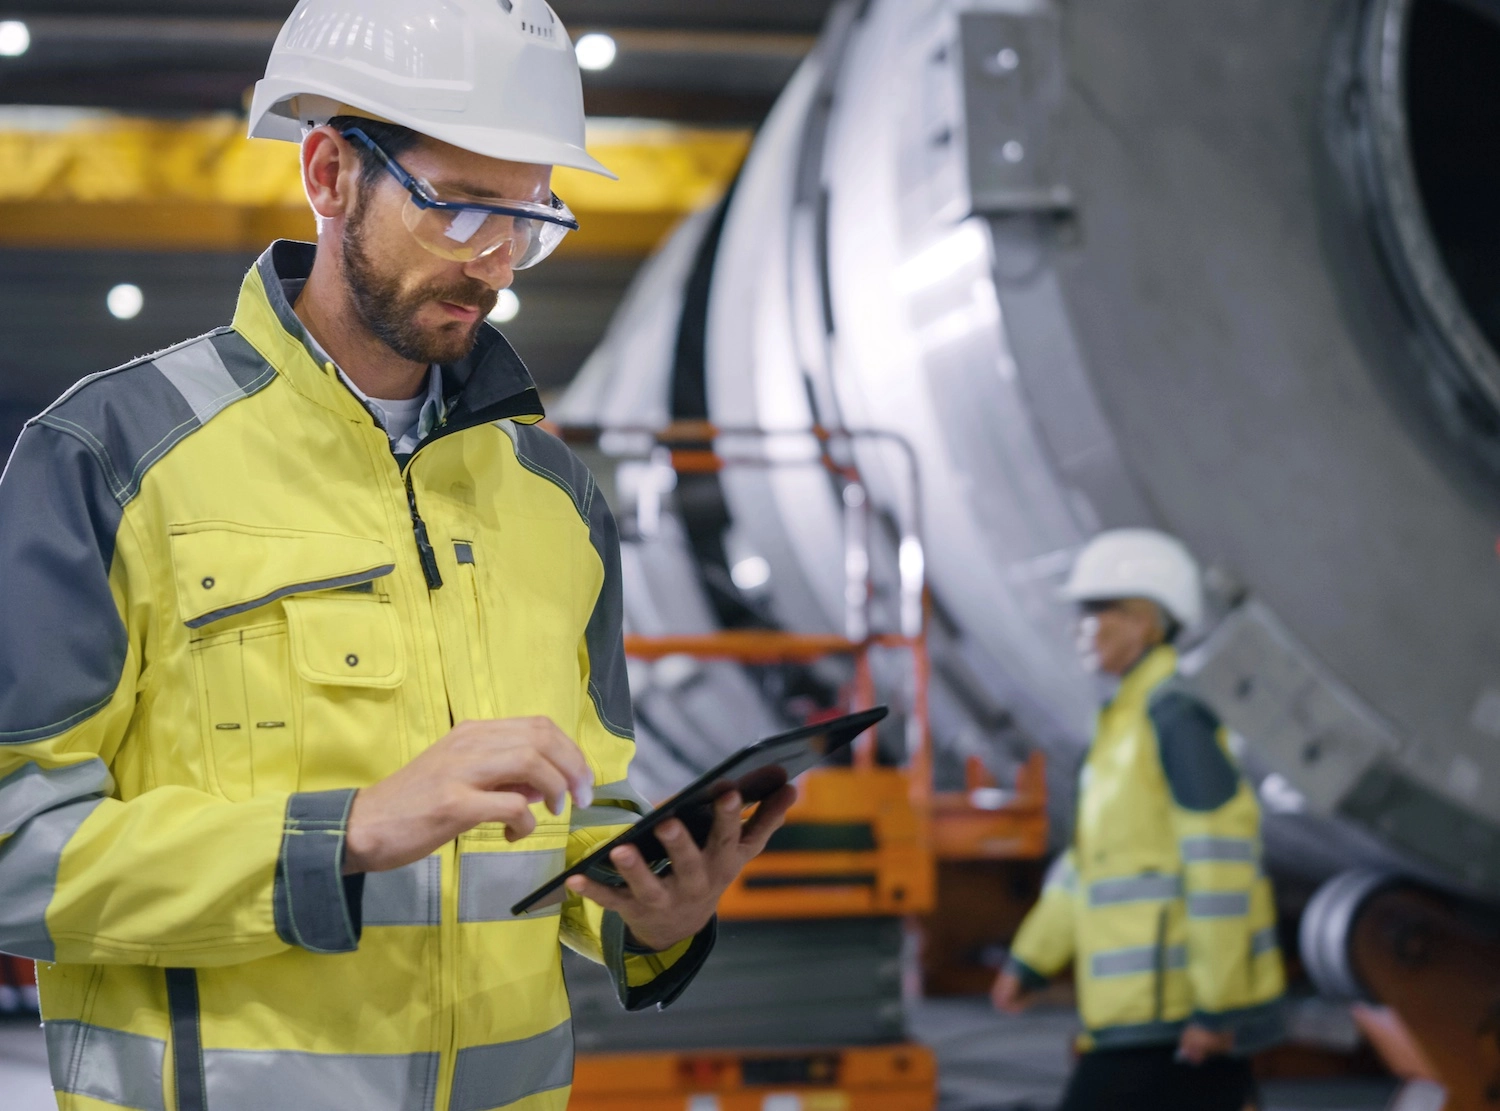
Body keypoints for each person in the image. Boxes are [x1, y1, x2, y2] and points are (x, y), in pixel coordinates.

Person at [0, 3, 795, 1109]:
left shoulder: (556, 500)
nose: (498, 263)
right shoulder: (113, 456)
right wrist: (350, 832)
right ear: (329, 174)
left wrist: (651, 913)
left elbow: (588, 809)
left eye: (529, 219)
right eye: (461, 207)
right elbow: (15, 854)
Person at [993, 529, 1285, 1111]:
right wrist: (1032, 959)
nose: (1088, 625)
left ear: (1151, 621)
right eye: (1085, 611)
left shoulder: (1175, 720)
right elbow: (1090, 866)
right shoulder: (1121, 725)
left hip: (1174, 1019)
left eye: (1105, 610)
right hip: (1131, 1016)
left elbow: (1221, 868)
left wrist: (1217, 1007)